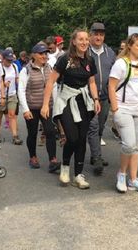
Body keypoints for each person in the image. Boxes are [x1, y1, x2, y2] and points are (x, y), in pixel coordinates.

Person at [41, 29, 101, 189]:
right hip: (66, 100)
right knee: (72, 138)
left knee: (82, 139)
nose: (84, 42)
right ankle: (65, 167)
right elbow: (50, 82)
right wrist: (46, 104)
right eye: (80, 39)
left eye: (86, 39)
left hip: (83, 101)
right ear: (73, 41)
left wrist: (95, 99)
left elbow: (92, 82)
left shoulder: (89, 60)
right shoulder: (64, 59)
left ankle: (79, 175)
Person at [108, 33, 138, 193]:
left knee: (137, 146)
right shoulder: (121, 64)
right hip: (124, 108)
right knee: (128, 144)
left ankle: (133, 179)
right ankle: (122, 174)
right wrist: (115, 109)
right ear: (130, 46)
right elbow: (111, 87)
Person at [18, 43, 60, 172]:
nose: (44, 56)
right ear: (34, 55)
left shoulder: (50, 68)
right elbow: (21, 89)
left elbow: (53, 86)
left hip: (47, 107)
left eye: (45, 53)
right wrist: (25, 109)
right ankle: (33, 157)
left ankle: (52, 159)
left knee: (50, 132)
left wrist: (56, 105)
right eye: (41, 54)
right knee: (32, 133)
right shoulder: (26, 70)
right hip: (32, 107)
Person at [87, 22, 116, 175]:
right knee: (93, 126)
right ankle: (97, 158)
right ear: (90, 35)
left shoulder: (110, 52)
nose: (98, 37)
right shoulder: (85, 52)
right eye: (96, 34)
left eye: (101, 34)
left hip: (105, 96)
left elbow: (116, 73)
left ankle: (94, 154)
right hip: (89, 97)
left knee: (100, 126)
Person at [0, 48, 22, 145]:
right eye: (8, 60)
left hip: (12, 94)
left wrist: (21, 86)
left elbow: (17, 78)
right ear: (2, 58)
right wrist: (3, 84)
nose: (9, 62)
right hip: (0, 95)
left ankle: (15, 136)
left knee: (12, 115)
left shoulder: (14, 66)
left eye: (11, 60)